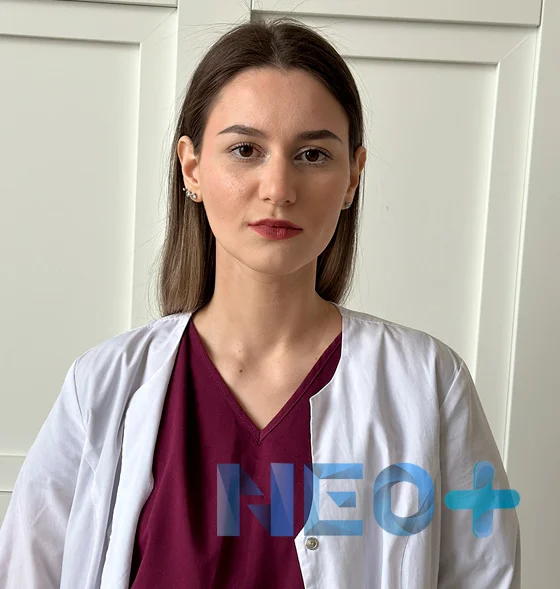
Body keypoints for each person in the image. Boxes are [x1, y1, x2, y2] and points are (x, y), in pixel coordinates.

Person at [0, 17, 520, 589]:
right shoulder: (99, 389)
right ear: (192, 167)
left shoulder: (429, 383)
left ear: (353, 177)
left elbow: (487, 575)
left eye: (313, 155)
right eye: (245, 149)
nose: (278, 189)